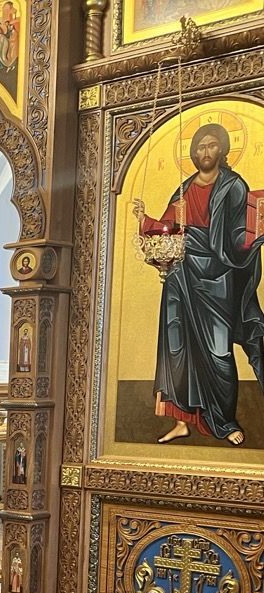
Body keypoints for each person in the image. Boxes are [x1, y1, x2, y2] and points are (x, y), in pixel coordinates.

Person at [132, 121, 264, 445]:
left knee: (219, 352)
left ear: (222, 149)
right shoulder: (185, 188)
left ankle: (225, 422)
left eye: (212, 145)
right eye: (201, 146)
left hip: (217, 278)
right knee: (177, 347)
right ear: (194, 153)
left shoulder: (233, 186)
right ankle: (181, 421)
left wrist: (255, 234)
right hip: (181, 275)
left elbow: (239, 234)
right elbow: (168, 227)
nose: (206, 151)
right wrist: (144, 220)